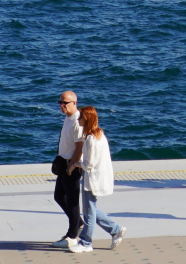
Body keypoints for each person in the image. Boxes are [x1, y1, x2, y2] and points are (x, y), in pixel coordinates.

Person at [69, 106, 127, 253]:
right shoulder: (99, 133)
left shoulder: (91, 139)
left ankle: (86, 242)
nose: (78, 119)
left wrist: (74, 164)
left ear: (86, 119)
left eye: (80, 117)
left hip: (93, 179)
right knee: (91, 209)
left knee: (89, 212)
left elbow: (89, 164)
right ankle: (115, 230)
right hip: (98, 177)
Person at [53, 90, 86, 247]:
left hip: (72, 166)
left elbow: (79, 148)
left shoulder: (77, 122)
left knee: (72, 202)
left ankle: (72, 236)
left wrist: (71, 166)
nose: (61, 106)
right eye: (60, 102)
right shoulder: (68, 118)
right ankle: (78, 223)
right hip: (64, 164)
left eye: (64, 103)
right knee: (59, 196)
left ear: (74, 103)